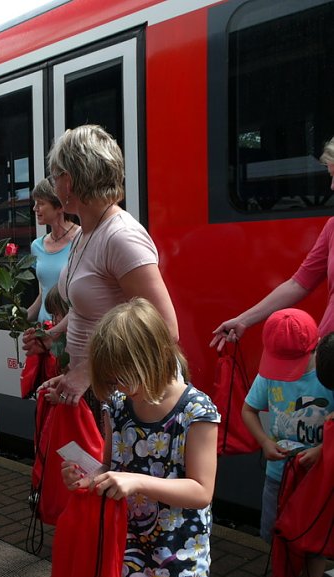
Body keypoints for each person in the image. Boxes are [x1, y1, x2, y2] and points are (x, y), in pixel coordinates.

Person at [61, 297, 219, 577]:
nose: (119, 386)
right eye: (112, 379)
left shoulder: (197, 411)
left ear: (152, 357)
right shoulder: (116, 405)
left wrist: (136, 482)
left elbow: (201, 490)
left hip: (177, 554)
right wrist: (86, 478)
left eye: (123, 376)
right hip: (124, 548)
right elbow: (110, 464)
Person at [43, 124, 178, 414]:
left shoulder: (120, 236)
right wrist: (55, 335)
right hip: (97, 389)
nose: (53, 186)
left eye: (54, 177)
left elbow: (166, 329)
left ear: (68, 181)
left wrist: (86, 372)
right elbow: (90, 308)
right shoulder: (85, 233)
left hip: (121, 394)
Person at [242, 309, 330, 577]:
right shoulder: (270, 372)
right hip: (278, 478)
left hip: (317, 484)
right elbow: (249, 409)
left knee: (312, 543)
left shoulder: (328, 376)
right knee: (276, 534)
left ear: (316, 347)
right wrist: (265, 442)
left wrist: (321, 450)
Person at [211, 135, 334, 349]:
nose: (332, 187)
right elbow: (298, 284)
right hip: (328, 356)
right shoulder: (332, 227)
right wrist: (244, 319)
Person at [25, 178, 79, 323]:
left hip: (72, 330)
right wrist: (23, 318)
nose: (35, 208)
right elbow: (44, 293)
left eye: (41, 203)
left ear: (60, 207)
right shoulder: (36, 246)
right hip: (45, 331)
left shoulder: (81, 239)